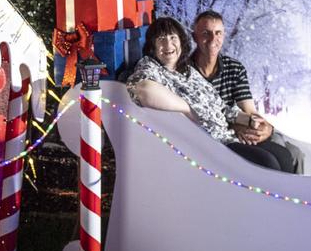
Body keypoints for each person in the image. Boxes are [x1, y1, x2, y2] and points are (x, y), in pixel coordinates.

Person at [127, 17, 277, 163]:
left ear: (181, 41)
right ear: (152, 46)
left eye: (173, 38)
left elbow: (220, 107)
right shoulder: (151, 67)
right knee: (267, 162)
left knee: (283, 156)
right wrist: (188, 109)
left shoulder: (188, 71)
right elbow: (143, 89)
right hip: (208, 145)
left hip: (226, 135)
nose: (168, 45)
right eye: (161, 39)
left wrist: (248, 120)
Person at [189, 10, 296, 174]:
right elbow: (195, 119)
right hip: (209, 137)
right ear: (194, 36)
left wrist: (266, 128)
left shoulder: (234, 68)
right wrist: (232, 126)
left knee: (285, 156)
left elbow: (250, 111)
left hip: (237, 129)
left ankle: (286, 198)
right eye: (205, 33)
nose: (213, 39)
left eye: (218, 33)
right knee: (268, 162)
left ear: (224, 35)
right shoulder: (185, 71)